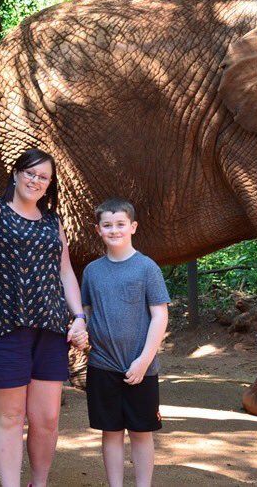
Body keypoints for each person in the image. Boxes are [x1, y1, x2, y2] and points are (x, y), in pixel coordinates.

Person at [0, 147, 89, 487]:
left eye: (43, 177)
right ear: (15, 174)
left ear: (49, 185)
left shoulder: (52, 222)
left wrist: (78, 316)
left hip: (49, 329)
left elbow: (65, 273)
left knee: (47, 418)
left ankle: (39, 483)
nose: (36, 180)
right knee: (11, 416)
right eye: (30, 172)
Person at [81, 198, 170, 487]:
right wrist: (78, 329)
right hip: (102, 366)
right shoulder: (92, 271)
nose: (114, 230)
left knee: (142, 432)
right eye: (107, 225)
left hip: (140, 367)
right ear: (98, 230)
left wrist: (144, 360)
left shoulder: (147, 268)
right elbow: (85, 312)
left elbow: (159, 316)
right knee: (111, 431)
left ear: (133, 227)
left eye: (120, 224)